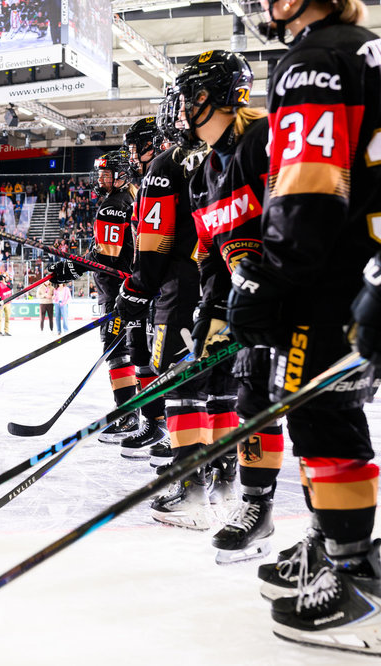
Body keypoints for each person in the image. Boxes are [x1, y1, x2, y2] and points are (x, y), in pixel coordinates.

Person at [229, 0, 381, 650]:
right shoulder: (364, 46)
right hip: (363, 265)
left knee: (321, 413)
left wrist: (274, 274)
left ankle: (355, 583)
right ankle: (335, 549)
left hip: (332, 273)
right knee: (328, 411)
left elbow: (309, 184)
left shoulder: (315, 58)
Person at [164, 51, 282, 558]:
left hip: (290, 294)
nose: (181, 110)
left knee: (313, 412)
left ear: (214, 97)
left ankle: (332, 534)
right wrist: (211, 314)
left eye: (188, 98)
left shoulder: (264, 141)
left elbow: (294, 216)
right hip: (246, 302)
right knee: (252, 394)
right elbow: (211, 257)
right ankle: (257, 506)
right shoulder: (202, 176)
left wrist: (269, 287)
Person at [51, 150, 137, 442]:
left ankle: (128, 415)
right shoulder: (129, 198)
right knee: (133, 352)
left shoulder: (113, 206)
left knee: (117, 352)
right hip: (129, 290)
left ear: (121, 176)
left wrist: (71, 268)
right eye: (100, 174)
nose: (101, 180)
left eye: (106, 175)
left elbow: (105, 258)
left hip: (116, 293)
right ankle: (141, 414)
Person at [113, 116, 172, 460]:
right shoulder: (144, 187)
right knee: (142, 358)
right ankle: (155, 421)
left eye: (136, 149)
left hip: (166, 287)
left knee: (168, 361)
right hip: (145, 285)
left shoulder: (169, 176)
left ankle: (181, 432)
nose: (132, 157)